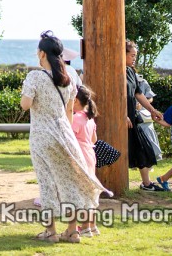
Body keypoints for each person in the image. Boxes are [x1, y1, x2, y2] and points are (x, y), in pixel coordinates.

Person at [20, 31, 110, 243]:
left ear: (42, 54)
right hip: (65, 134)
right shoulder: (68, 80)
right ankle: (72, 231)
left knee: (47, 182)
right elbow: (69, 111)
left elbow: (25, 104)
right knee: (69, 181)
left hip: (42, 135)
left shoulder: (35, 76)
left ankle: (50, 231)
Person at [124, 41, 166, 191]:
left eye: (135, 55)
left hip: (132, 117)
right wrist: (123, 115)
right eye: (132, 55)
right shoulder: (116, 71)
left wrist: (152, 110)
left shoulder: (130, 72)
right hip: (122, 119)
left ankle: (146, 184)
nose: (134, 58)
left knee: (143, 148)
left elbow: (138, 94)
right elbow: (114, 96)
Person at [71, 84, 100, 237]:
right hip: (90, 155)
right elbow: (94, 139)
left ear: (75, 100)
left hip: (80, 157)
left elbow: (70, 139)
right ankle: (92, 226)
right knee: (90, 191)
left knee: (81, 192)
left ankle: (85, 227)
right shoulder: (89, 118)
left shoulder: (76, 118)